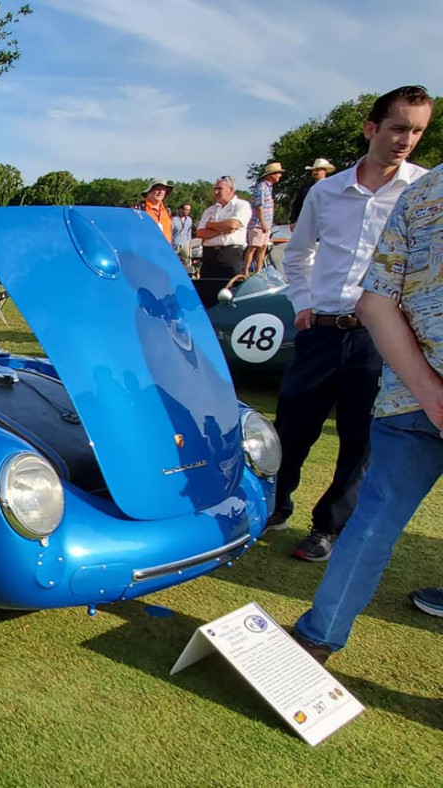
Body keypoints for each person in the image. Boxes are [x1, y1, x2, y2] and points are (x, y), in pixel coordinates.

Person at [266, 85, 433, 564]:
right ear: (371, 128)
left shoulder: (424, 192)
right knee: (293, 429)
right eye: (399, 127)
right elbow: (298, 254)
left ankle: (327, 528)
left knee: (360, 440)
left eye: (417, 131)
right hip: (322, 329)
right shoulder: (326, 190)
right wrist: (302, 300)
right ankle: (274, 507)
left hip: (384, 338)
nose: (406, 139)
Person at [292, 162, 443, 661]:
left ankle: (317, 637)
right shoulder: (422, 196)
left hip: (406, 382)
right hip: (405, 385)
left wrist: (426, 388)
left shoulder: (420, 191)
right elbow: (374, 298)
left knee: (372, 515)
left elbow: (377, 304)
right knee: (371, 515)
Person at [195, 176, 252, 279]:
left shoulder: (241, 205)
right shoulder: (210, 210)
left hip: (230, 254)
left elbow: (233, 225)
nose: (216, 192)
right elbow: (200, 233)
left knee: (230, 289)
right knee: (207, 289)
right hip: (209, 255)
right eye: (215, 189)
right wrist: (222, 231)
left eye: (219, 189)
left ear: (231, 189)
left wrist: (211, 225)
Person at [244, 162, 284, 274]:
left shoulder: (270, 188)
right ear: (271, 175)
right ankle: (246, 272)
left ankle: (258, 272)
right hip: (258, 224)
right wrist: (263, 223)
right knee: (253, 247)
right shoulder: (262, 187)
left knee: (263, 248)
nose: (279, 176)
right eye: (278, 173)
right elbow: (258, 206)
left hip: (266, 224)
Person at [289, 158, 335, 230]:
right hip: (308, 222)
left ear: (324, 171)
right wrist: (293, 220)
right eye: (313, 170)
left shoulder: (332, 187)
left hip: (326, 222)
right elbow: (297, 205)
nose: (315, 172)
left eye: (317, 170)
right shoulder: (305, 188)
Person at [171, 203, 194, 273]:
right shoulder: (173, 220)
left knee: (187, 261)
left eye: (189, 210)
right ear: (181, 209)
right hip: (175, 244)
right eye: (185, 209)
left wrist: (189, 243)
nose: (187, 211)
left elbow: (189, 232)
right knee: (172, 260)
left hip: (185, 243)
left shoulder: (189, 220)